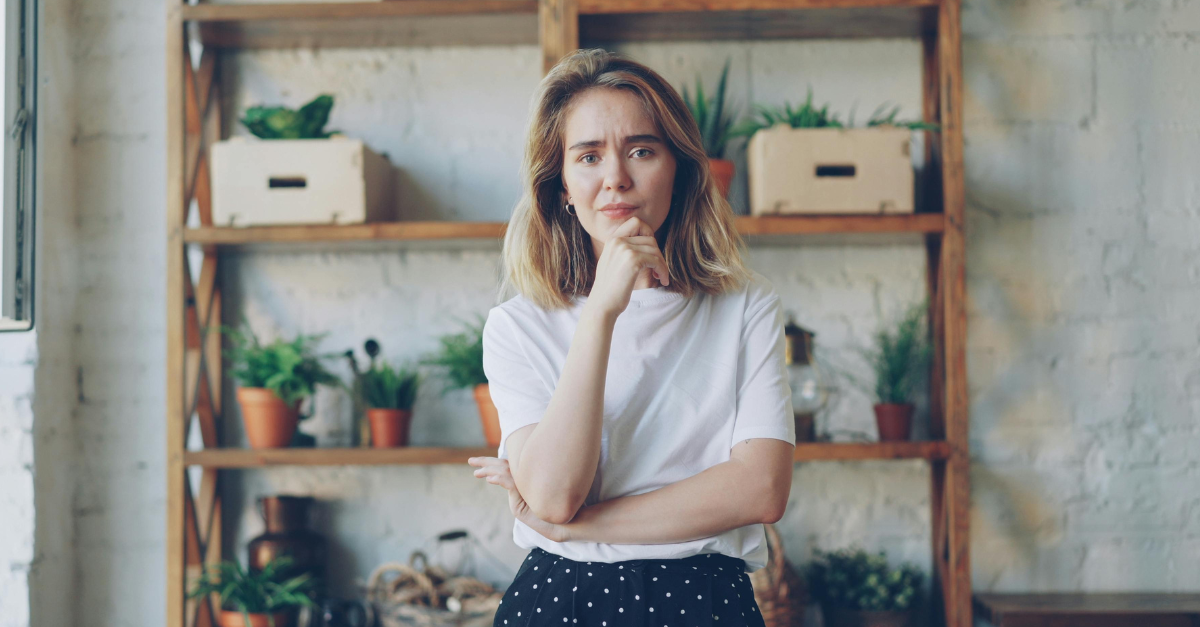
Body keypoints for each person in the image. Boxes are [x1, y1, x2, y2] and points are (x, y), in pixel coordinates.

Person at [467, 48, 795, 627]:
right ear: (562, 186)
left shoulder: (746, 308)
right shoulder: (517, 325)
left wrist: (581, 527)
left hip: (707, 601)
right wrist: (601, 314)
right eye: (588, 156)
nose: (616, 177)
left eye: (641, 150)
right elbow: (553, 497)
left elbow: (761, 490)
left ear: (681, 169)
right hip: (560, 599)